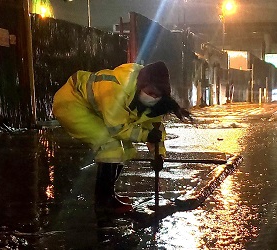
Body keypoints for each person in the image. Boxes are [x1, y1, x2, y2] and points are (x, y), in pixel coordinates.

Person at [52, 61, 191, 216]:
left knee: (125, 149)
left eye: (157, 95)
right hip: (71, 102)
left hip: (93, 110)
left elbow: (155, 129)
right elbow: (117, 128)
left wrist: (159, 154)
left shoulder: (150, 99)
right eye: (150, 92)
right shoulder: (118, 88)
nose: (153, 98)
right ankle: (103, 202)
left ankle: (110, 196)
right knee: (110, 144)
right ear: (140, 85)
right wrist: (145, 136)